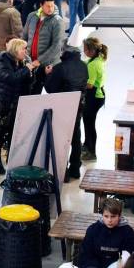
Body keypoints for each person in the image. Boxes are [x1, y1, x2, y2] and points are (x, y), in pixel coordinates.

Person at [0, 38, 35, 174]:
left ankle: (12, 160)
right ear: (15, 50)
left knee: (15, 132)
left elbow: (26, 83)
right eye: (23, 49)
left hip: (16, 104)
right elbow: (11, 78)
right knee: (0, 133)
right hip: (3, 103)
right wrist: (26, 69)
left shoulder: (20, 62)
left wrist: (31, 73)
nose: (25, 52)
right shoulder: (2, 61)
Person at [44, 44, 88, 181]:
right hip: (78, 106)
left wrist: (48, 75)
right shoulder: (84, 66)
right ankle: (75, 169)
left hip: (62, 107)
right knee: (75, 137)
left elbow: (50, 88)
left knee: (62, 140)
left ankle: (64, 172)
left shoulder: (59, 68)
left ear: (64, 53)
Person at [79, 198, 134, 268]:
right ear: (102, 215)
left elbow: (130, 255)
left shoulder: (128, 232)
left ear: (119, 216)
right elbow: (86, 254)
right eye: (106, 216)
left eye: (113, 216)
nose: (109, 220)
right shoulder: (93, 230)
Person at [23, 0, 64, 95]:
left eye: (52, 6)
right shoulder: (32, 16)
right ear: (41, 5)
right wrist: (24, 55)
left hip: (46, 64)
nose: (50, 9)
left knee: (49, 92)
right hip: (30, 62)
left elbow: (56, 45)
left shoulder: (57, 21)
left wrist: (39, 60)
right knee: (30, 91)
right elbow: (24, 37)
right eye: (47, 6)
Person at [81, 37, 108, 161]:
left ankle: (91, 152)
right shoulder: (99, 59)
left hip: (93, 95)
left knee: (89, 124)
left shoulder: (92, 64)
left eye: (85, 49)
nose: (84, 51)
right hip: (100, 94)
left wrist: (79, 85)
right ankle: (87, 146)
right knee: (89, 122)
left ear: (91, 50)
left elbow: (90, 84)